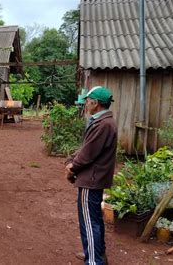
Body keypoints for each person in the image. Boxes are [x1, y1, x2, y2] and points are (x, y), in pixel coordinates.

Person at [65, 86, 117, 265]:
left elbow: (88, 154)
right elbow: (86, 148)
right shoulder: (102, 121)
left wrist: (72, 167)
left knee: (89, 222)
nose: (86, 104)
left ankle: (94, 261)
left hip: (91, 179)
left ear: (95, 103)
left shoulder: (103, 124)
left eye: (87, 101)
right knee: (94, 219)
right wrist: (72, 159)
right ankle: (96, 254)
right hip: (94, 178)